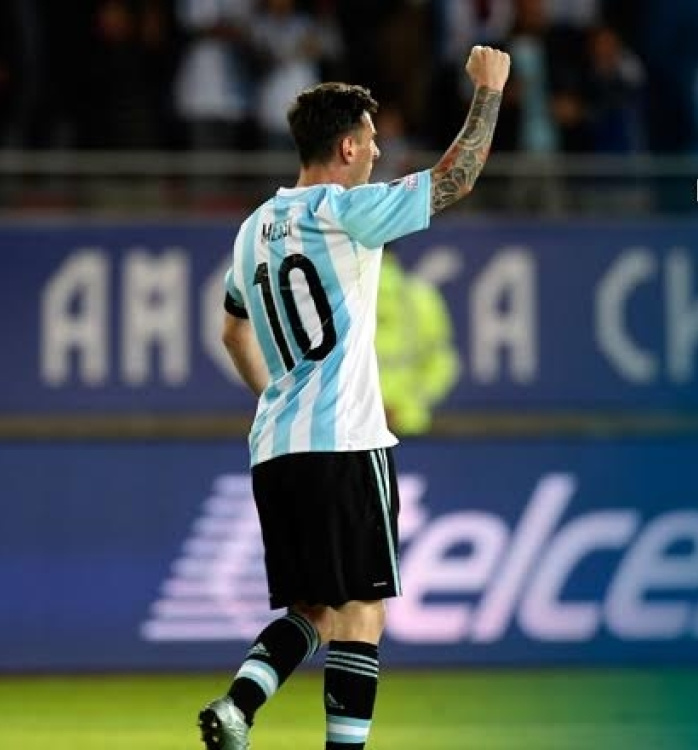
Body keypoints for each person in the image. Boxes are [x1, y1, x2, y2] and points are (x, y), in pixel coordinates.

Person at [199, 44, 511, 750]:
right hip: (344, 441)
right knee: (362, 614)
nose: (376, 152)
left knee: (313, 610)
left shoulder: (252, 231)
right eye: (370, 140)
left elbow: (231, 332)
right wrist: (489, 92)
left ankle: (238, 705)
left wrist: (277, 395)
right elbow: (456, 178)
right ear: (345, 146)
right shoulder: (345, 211)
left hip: (276, 449)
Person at [377, 249, 460, 436]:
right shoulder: (421, 297)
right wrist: (407, 406)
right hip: (408, 424)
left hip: (351, 427)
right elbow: (443, 363)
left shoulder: (337, 296)